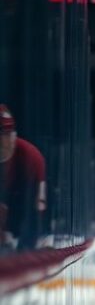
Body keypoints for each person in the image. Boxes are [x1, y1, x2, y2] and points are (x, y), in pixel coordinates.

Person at [0, 104, 46, 250]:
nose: (5, 142)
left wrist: (27, 249)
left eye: (9, 134)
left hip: (18, 225)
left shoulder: (31, 157)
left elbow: (36, 213)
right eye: (2, 134)